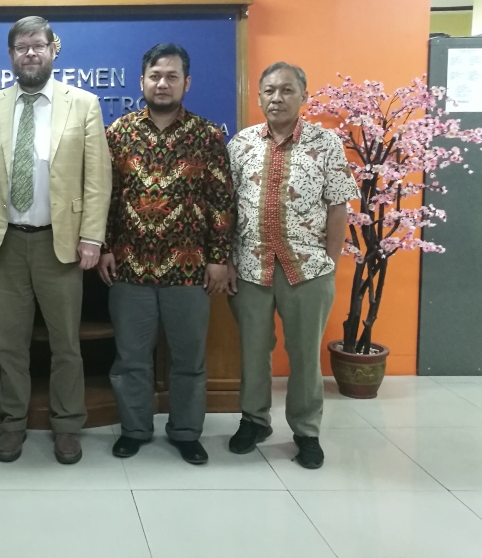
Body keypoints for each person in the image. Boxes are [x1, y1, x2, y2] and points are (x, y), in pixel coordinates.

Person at [0, 16, 112, 465]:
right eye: (21, 47)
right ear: (11, 55)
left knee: (66, 343)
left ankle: (67, 425)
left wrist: (92, 237)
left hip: (60, 244)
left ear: (53, 50)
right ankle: (11, 423)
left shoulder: (83, 104)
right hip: (5, 244)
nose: (30, 53)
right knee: (7, 343)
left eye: (38, 45)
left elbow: (97, 179)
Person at [99, 43, 236, 464]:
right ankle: (134, 429)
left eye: (172, 76)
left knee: (189, 360)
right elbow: (104, 196)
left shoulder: (207, 136)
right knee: (130, 359)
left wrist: (218, 258)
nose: (163, 83)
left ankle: (186, 431)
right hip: (129, 267)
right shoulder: (118, 133)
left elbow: (220, 200)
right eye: (155, 76)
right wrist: (104, 246)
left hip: (189, 270)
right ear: (142, 81)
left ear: (186, 83)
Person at [225, 61, 358, 470]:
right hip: (250, 267)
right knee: (253, 350)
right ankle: (254, 420)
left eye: (286, 90)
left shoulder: (326, 143)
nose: (277, 98)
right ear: (259, 96)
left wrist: (330, 262)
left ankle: (306, 431)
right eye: (269, 90)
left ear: (303, 95)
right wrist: (227, 259)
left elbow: (338, 206)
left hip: (308, 270)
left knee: (303, 354)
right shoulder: (241, 144)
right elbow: (226, 208)